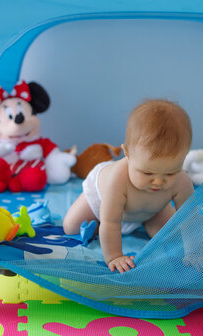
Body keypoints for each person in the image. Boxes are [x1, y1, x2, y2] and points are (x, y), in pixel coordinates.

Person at [63, 99, 194, 273]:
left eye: (170, 172)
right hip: (101, 199)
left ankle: (147, 219)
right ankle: (94, 223)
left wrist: (195, 253)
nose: (158, 182)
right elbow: (110, 222)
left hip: (152, 209)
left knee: (169, 237)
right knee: (71, 226)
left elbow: (191, 219)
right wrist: (115, 256)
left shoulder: (182, 181)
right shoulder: (117, 179)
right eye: (147, 173)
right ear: (127, 153)